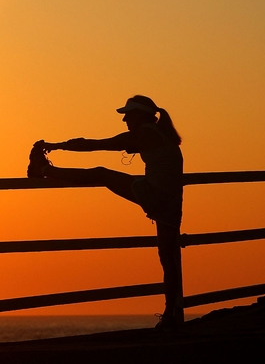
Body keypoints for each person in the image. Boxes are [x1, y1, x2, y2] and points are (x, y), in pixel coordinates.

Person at [27, 95, 185, 329]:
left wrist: (55, 145)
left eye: (128, 115)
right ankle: (171, 314)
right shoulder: (160, 134)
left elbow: (95, 144)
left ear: (140, 115)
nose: (125, 121)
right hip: (172, 202)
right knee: (168, 258)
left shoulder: (144, 134)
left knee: (100, 173)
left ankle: (43, 170)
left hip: (155, 195)